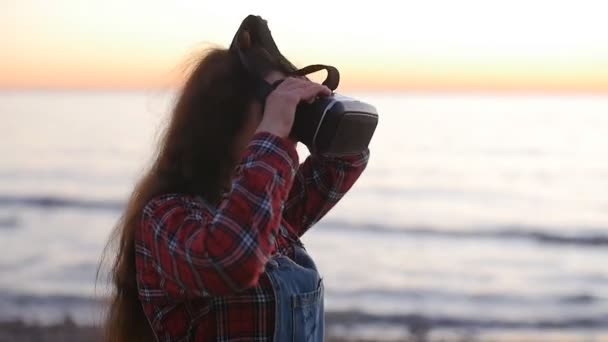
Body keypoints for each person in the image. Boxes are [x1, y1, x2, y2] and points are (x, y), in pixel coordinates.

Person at [101, 45, 369, 341]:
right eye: (275, 103)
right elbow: (230, 260)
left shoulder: (268, 210)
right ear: (225, 116)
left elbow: (344, 161)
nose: (287, 115)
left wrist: (319, 110)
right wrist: (273, 135)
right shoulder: (164, 217)